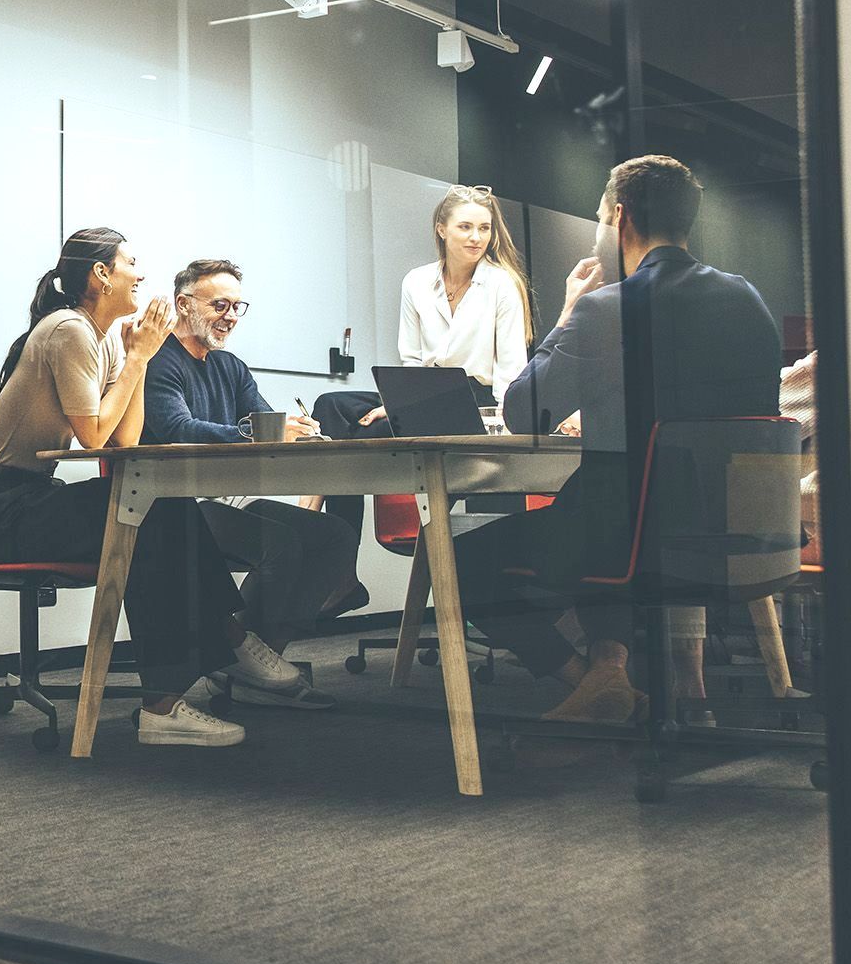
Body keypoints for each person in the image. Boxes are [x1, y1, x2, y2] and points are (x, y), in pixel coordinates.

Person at [453, 156, 783, 725]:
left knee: (460, 561)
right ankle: (609, 673)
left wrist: (567, 313)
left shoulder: (610, 309)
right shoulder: (748, 300)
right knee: (596, 505)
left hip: (634, 536)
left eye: (601, 217)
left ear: (620, 218)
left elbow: (524, 414)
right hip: (738, 528)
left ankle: (596, 687)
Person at [0, 228, 317, 748]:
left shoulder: (103, 338)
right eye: (132, 262)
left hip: (32, 499)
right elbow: (92, 438)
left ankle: (193, 673)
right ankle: (196, 673)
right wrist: (138, 360)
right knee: (149, 512)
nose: (142, 273)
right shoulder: (68, 330)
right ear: (101, 274)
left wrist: (141, 357)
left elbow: (121, 439)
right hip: (5, 512)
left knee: (154, 507)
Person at [140, 258, 359, 709]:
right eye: (220, 304)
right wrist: (261, 431)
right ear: (184, 304)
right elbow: (178, 429)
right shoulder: (158, 361)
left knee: (332, 534)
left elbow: (263, 422)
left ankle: (255, 659)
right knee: (280, 543)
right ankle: (242, 659)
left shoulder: (230, 367)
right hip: (170, 507)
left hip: (221, 502)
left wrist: (294, 429)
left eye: (238, 307)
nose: (231, 316)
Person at [310, 184, 535, 540]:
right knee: (331, 406)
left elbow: (511, 368)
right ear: (441, 229)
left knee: (352, 441)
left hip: (475, 402)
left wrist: (507, 428)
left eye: (484, 228)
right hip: (422, 395)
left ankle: (317, 520)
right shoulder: (416, 281)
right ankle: (335, 547)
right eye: (465, 227)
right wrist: (396, 403)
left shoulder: (501, 284)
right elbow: (411, 359)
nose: (477, 237)